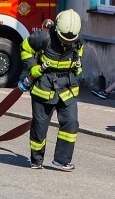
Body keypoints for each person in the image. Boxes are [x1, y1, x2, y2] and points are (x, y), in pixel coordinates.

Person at [19, 9, 84, 171]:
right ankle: (36, 159)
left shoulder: (77, 40)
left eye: (71, 39)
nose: (68, 41)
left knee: (71, 122)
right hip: (44, 85)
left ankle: (62, 160)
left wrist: (78, 69)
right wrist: (33, 68)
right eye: (64, 38)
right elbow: (24, 48)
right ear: (57, 29)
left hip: (67, 86)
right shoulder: (43, 37)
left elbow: (79, 57)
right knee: (40, 126)